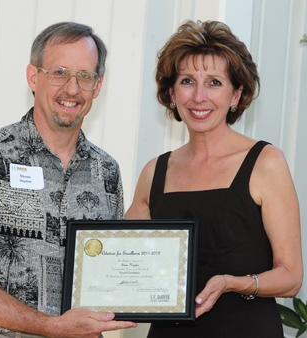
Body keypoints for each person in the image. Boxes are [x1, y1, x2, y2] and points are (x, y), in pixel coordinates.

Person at [0, 22, 136, 338]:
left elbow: (109, 279)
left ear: (98, 86)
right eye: (59, 72)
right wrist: (51, 327)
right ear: (34, 77)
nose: (72, 89)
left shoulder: (106, 171)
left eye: (84, 76)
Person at [126, 20, 303, 337]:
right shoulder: (154, 172)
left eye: (214, 83)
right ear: (171, 93)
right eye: (187, 81)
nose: (198, 96)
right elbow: (125, 260)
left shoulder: (266, 162)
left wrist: (234, 283)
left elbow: (291, 276)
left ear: (237, 94)